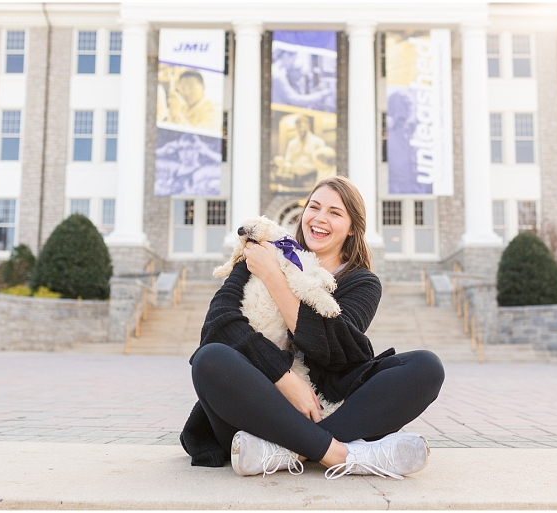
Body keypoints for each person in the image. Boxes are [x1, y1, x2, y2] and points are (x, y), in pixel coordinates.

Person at [181, 176, 444, 479]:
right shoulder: (261, 254)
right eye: (314, 207)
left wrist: (275, 279)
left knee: (427, 367)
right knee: (210, 359)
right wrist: (284, 378)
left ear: (353, 227)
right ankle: (339, 454)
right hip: (254, 411)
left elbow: (335, 350)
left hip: (325, 407)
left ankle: (288, 451)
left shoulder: (361, 282)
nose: (320, 218)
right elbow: (218, 326)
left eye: (335, 212)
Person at [278, 116, 327, 189]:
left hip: (311, 179)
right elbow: (288, 162)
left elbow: (323, 165)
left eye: (302, 126)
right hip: (295, 180)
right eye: (297, 127)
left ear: (308, 125)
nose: (300, 129)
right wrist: (282, 163)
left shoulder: (318, 142)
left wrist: (320, 183)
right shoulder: (292, 143)